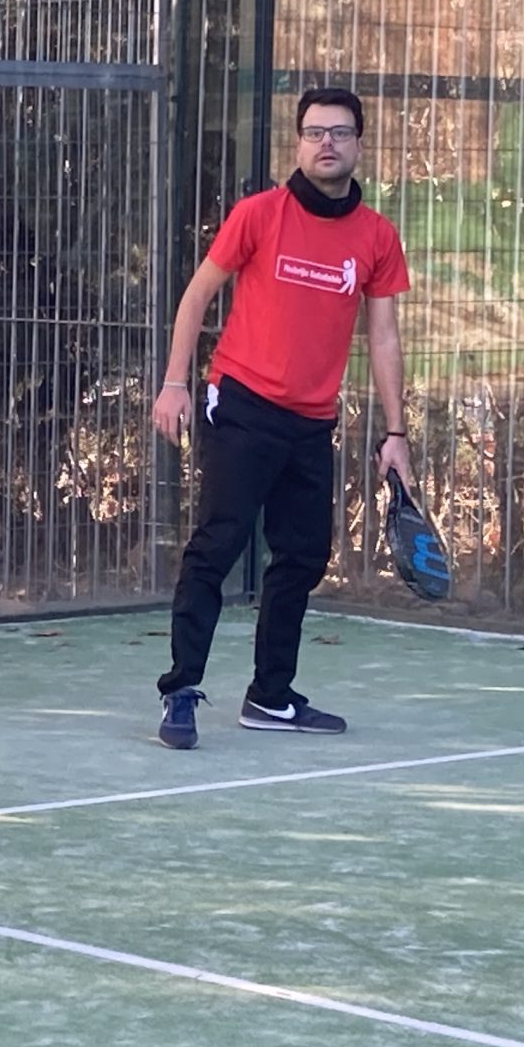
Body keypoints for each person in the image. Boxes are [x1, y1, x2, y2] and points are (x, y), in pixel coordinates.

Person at [150, 87, 413, 748]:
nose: (327, 143)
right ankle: (180, 690)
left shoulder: (378, 236)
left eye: (340, 133)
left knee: (303, 554)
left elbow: (383, 337)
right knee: (218, 543)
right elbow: (196, 296)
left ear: (358, 145)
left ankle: (270, 696)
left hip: (312, 422)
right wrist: (175, 383)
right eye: (315, 132)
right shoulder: (259, 215)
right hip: (241, 405)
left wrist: (396, 433)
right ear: (298, 143)